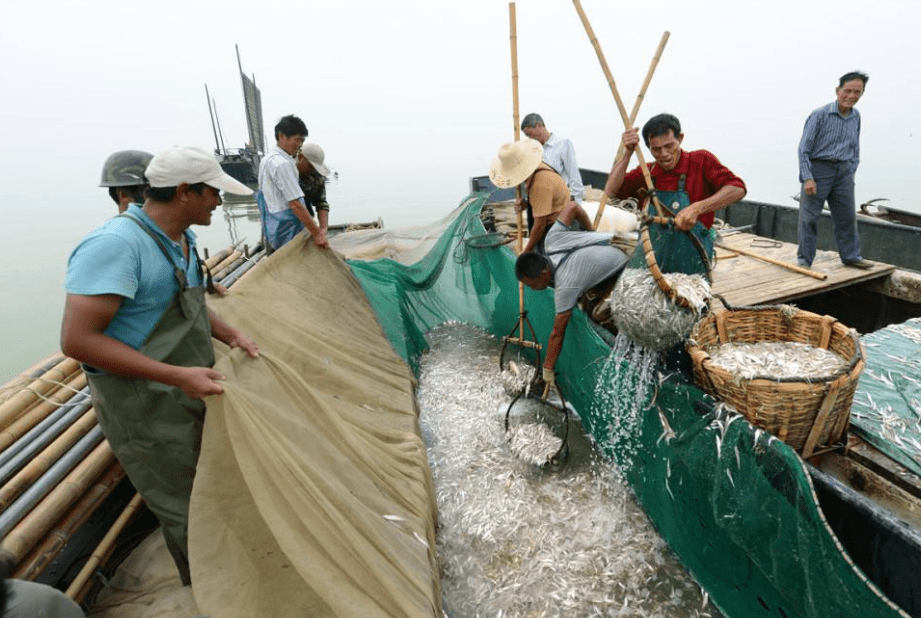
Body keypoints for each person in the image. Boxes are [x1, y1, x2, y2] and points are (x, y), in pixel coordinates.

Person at [60, 146, 260, 585]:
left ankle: (232, 575)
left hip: (188, 386)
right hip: (145, 404)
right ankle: (214, 592)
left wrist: (232, 335)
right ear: (186, 192)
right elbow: (78, 341)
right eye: (214, 193)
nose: (220, 203)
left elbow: (186, 305)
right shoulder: (115, 246)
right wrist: (176, 376)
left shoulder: (181, 238)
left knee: (212, 486)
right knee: (185, 503)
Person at [515, 201, 627, 396]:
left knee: (600, 316)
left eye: (533, 285)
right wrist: (590, 231)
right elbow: (573, 207)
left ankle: (626, 357)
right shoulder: (552, 239)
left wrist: (548, 370)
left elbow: (557, 333)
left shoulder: (565, 285)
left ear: (543, 273)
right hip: (625, 240)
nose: (533, 290)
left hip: (633, 260)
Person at [605, 113, 746, 241]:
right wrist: (628, 152)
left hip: (696, 243)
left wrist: (698, 208)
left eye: (669, 146)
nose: (664, 154)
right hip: (656, 243)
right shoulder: (647, 172)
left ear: (680, 138)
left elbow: (737, 189)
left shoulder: (701, 160)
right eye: (656, 149)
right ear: (649, 148)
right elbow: (610, 192)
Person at [796, 71, 871, 269]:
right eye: (848, 90)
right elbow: (803, 149)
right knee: (809, 218)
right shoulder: (819, 115)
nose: (852, 96)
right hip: (819, 170)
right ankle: (804, 260)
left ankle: (851, 256)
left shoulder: (856, 116)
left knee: (846, 217)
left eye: (857, 92)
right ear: (838, 91)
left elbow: (855, 146)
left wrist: (851, 169)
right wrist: (808, 177)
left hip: (844, 172)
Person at [490, 140, 592, 255]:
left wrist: (526, 252)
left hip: (560, 230)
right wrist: (527, 202)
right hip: (551, 221)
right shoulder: (537, 169)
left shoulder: (540, 184)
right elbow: (546, 199)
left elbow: (539, 226)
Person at [257, 115, 329, 252]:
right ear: (281, 136)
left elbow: (321, 203)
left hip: (275, 227)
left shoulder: (269, 159)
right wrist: (318, 233)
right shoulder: (282, 164)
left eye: (302, 140)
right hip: (285, 230)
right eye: (297, 139)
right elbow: (295, 204)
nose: (299, 144)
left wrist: (322, 229)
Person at [521, 113, 584, 204]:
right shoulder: (533, 150)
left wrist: (576, 203)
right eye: (527, 136)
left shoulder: (562, 144)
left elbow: (574, 175)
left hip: (558, 202)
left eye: (530, 134)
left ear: (539, 126)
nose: (530, 138)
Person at [296, 142, 332, 236]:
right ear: (300, 157)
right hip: (286, 224)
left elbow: (321, 203)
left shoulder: (316, 176)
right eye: (311, 166)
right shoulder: (286, 170)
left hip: (308, 223)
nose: (312, 170)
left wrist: (323, 229)